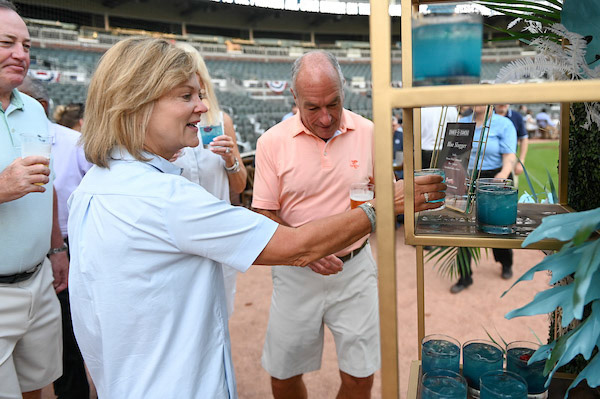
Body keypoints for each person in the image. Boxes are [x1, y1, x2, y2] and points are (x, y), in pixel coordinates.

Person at [67, 37, 446, 398]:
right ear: (137, 104)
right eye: (187, 96)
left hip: (130, 382)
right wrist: (382, 207)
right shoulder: (167, 199)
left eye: (199, 94)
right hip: (177, 384)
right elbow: (295, 246)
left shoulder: (93, 188)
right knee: (284, 371)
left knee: (359, 371)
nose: (202, 106)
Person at [251, 50, 381, 399]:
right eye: (313, 107)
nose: (326, 118)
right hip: (295, 275)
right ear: (294, 97)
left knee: (360, 376)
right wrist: (305, 250)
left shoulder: (370, 132)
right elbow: (263, 213)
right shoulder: (271, 142)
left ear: (344, 91)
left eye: (334, 104)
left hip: (355, 271)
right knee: (283, 375)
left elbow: (386, 197)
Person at [0, 2, 68, 398]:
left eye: (26, 44)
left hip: (39, 279)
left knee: (41, 389)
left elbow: (51, 186)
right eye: (7, 42)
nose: (21, 54)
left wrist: (56, 248)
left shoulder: (34, 112)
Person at [18, 76, 94, 399]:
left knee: (76, 332)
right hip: (31, 251)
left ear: (42, 107)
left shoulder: (73, 142)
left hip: (71, 247)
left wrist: (62, 248)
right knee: (51, 339)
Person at [172, 42, 247, 318]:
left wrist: (230, 161)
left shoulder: (220, 120)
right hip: (180, 243)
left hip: (219, 239)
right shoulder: (162, 127)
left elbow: (239, 187)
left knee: (221, 315)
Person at [450, 105, 517, 294]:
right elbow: (454, 154)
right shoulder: (462, 124)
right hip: (466, 178)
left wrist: (503, 174)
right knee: (463, 229)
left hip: (496, 177)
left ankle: (505, 262)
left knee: (498, 227)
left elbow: (509, 155)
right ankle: (464, 276)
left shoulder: (503, 124)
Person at [494, 103, 528, 175]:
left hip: (510, 159)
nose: (503, 103)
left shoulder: (516, 116)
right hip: (489, 161)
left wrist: (521, 161)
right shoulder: (486, 116)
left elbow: (524, 138)